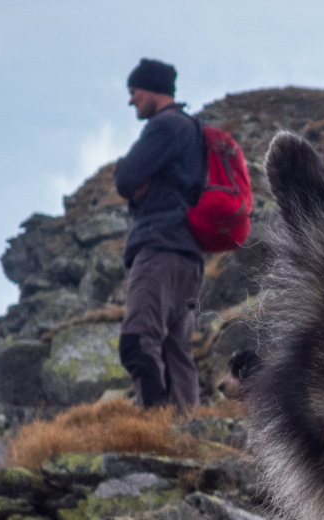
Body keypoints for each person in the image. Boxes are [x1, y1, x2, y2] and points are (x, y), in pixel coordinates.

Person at [114, 58, 206, 408]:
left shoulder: (166, 127)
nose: (131, 100)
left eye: (134, 91)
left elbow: (125, 176)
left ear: (152, 89)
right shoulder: (192, 130)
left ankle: (154, 427)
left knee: (138, 340)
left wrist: (129, 174)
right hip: (188, 257)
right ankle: (185, 433)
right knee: (175, 351)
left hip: (160, 247)